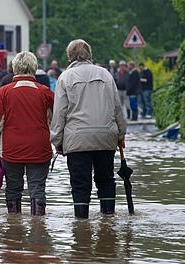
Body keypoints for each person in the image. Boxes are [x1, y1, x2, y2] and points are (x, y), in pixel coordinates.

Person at [50, 39, 126, 219]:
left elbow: (59, 113)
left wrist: (57, 141)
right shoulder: (106, 74)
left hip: (76, 139)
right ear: (90, 54)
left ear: (69, 57)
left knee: (80, 184)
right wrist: (121, 134)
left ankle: (81, 223)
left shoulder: (65, 78)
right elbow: (117, 107)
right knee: (106, 180)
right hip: (105, 137)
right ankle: (108, 219)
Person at [0, 51, 54, 216]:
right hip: (39, 149)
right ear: (34, 68)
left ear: (14, 68)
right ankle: (38, 229)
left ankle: (14, 229)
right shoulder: (45, 92)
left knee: (13, 188)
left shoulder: (4, 92)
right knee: (37, 188)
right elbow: (55, 123)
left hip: (11, 150)